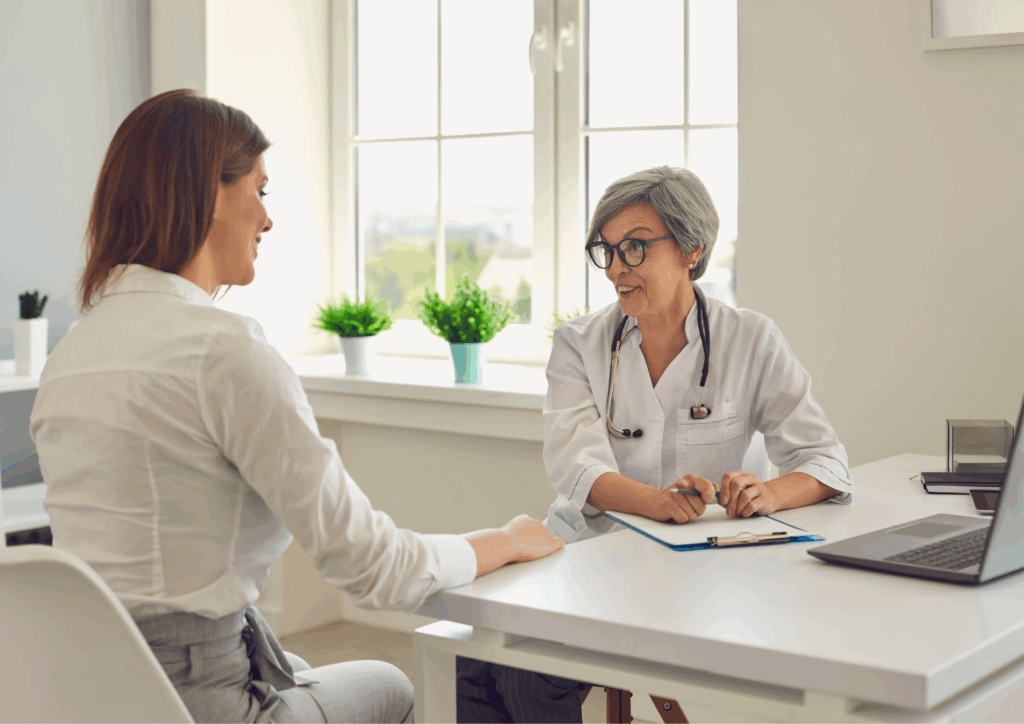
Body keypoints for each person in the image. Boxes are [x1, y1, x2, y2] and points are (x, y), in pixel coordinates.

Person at [28, 89, 564, 724]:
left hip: (88, 693)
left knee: (314, 674)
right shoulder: (221, 349)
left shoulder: (73, 352)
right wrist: (498, 541)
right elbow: (370, 567)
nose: (266, 218)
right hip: (204, 701)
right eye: (259, 190)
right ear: (208, 193)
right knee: (391, 684)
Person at [456, 166, 853, 723]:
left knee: (523, 666)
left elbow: (825, 460)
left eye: (636, 247)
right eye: (608, 250)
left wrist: (766, 493)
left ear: (692, 249)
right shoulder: (579, 343)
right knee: (471, 656)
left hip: (693, 570)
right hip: (586, 548)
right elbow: (576, 467)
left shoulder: (751, 340)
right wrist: (656, 502)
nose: (617, 267)